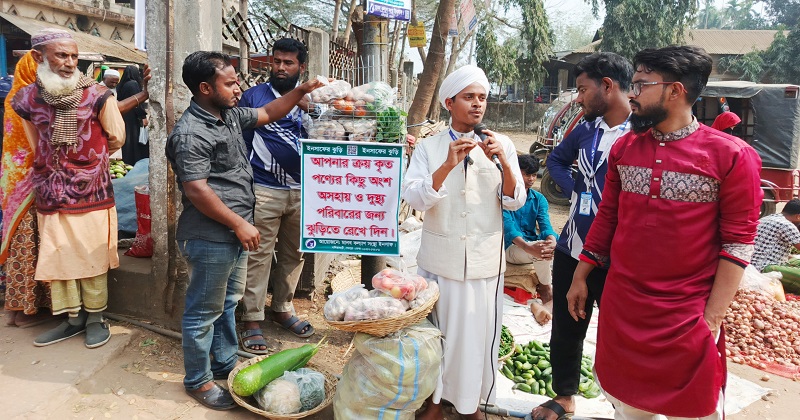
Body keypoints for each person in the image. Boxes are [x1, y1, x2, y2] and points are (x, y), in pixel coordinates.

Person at [567, 45, 762, 419]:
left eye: (641, 85)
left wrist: (711, 321)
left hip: (687, 315)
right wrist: (581, 275)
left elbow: (738, 244)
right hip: (623, 309)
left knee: (692, 411)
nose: (632, 95)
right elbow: (608, 217)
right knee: (628, 409)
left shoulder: (731, 156)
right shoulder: (625, 148)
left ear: (675, 91)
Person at [165, 51, 321, 411]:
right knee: (203, 312)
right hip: (210, 236)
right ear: (205, 88)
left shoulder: (230, 115)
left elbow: (268, 113)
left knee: (227, 303)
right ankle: (199, 381)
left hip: (234, 233)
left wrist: (303, 90)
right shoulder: (191, 132)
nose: (240, 88)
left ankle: (223, 363)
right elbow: (197, 189)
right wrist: (238, 222)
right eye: (231, 83)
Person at [402, 65, 525, 420]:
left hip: (485, 263)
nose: (477, 105)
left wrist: (502, 161)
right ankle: (436, 403)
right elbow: (415, 198)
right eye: (469, 97)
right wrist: (446, 165)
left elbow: (514, 200)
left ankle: (471, 404)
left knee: (475, 341)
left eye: (482, 98)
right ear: (449, 102)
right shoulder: (429, 147)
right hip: (442, 259)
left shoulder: (501, 146)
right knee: (437, 337)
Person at [11, 28, 127, 349]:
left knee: (92, 256)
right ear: (39, 57)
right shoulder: (27, 98)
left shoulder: (98, 94)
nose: (69, 62)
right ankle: (73, 319)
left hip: (92, 190)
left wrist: (88, 161)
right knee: (59, 255)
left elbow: (116, 136)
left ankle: (95, 318)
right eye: (62, 55)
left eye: (74, 56)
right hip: (50, 189)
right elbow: (36, 142)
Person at [533, 51, 633, 420]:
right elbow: (557, 161)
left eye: (582, 89)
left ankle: (625, 402)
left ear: (607, 86)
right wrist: (578, 188)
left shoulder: (641, 132)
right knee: (566, 325)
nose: (578, 98)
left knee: (619, 330)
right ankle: (565, 395)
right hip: (573, 244)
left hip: (618, 253)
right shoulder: (586, 129)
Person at [239, 38, 313, 354]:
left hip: (305, 190)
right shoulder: (254, 97)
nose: (281, 68)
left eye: (288, 63)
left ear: (302, 66)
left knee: (295, 254)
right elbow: (239, 143)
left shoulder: (317, 99)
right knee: (256, 254)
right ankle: (252, 318)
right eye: (277, 61)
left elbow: (341, 131)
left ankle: (282, 308)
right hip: (264, 189)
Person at [1, 51, 52, 328]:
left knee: (22, 245)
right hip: (31, 182)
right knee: (32, 243)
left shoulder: (13, 97)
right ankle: (27, 311)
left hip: (12, 184)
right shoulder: (30, 100)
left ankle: (17, 308)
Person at [502, 154, 557, 303]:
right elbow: (509, 229)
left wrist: (551, 240)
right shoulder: (504, 197)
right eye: (526, 174)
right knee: (540, 251)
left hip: (531, 246)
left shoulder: (539, 199)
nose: (531, 179)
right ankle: (546, 288)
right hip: (510, 248)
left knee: (557, 246)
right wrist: (528, 247)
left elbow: (545, 225)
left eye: (533, 175)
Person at [751, 199, 800, 271]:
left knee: (795, 261)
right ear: (798, 216)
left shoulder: (765, 218)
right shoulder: (787, 225)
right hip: (765, 267)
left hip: (753, 264)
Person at [117, 65, 149, 165]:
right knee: (135, 141)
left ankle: (127, 161)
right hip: (133, 118)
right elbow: (137, 103)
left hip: (125, 116)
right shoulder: (133, 84)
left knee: (128, 141)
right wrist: (143, 116)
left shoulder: (122, 85)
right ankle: (136, 161)